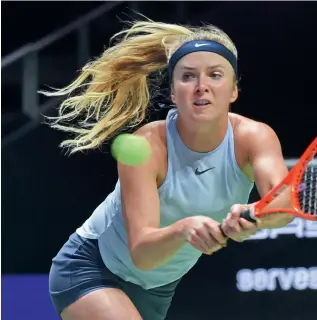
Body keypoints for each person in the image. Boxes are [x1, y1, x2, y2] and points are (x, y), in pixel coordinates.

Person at [46, 19, 294, 320]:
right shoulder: (148, 146)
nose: (202, 86)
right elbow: (142, 253)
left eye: (215, 75)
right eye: (188, 76)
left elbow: (282, 204)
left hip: (158, 289)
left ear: (233, 91)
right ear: (174, 93)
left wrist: (254, 217)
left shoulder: (255, 138)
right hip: (91, 267)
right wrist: (183, 229)